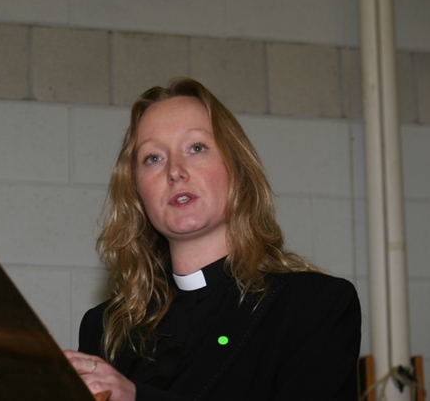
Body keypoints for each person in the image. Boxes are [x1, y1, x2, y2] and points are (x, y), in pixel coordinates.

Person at [65, 77, 361, 401]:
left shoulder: (312, 306)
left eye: (196, 148)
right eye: (153, 158)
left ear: (237, 169)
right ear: (137, 192)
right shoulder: (106, 328)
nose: (174, 171)